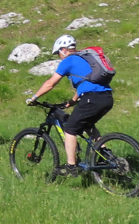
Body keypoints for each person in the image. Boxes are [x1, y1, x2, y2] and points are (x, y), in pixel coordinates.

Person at [27, 34, 114, 177]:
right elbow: (85, 84)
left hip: (91, 98)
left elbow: (50, 83)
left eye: (58, 53)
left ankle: (71, 167)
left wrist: (33, 98)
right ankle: (106, 154)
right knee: (88, 124)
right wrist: (72, 102)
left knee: (70, 129)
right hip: (107, 98)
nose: (59, 56)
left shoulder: (68, 61)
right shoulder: (84, 59)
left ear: (63, 50)